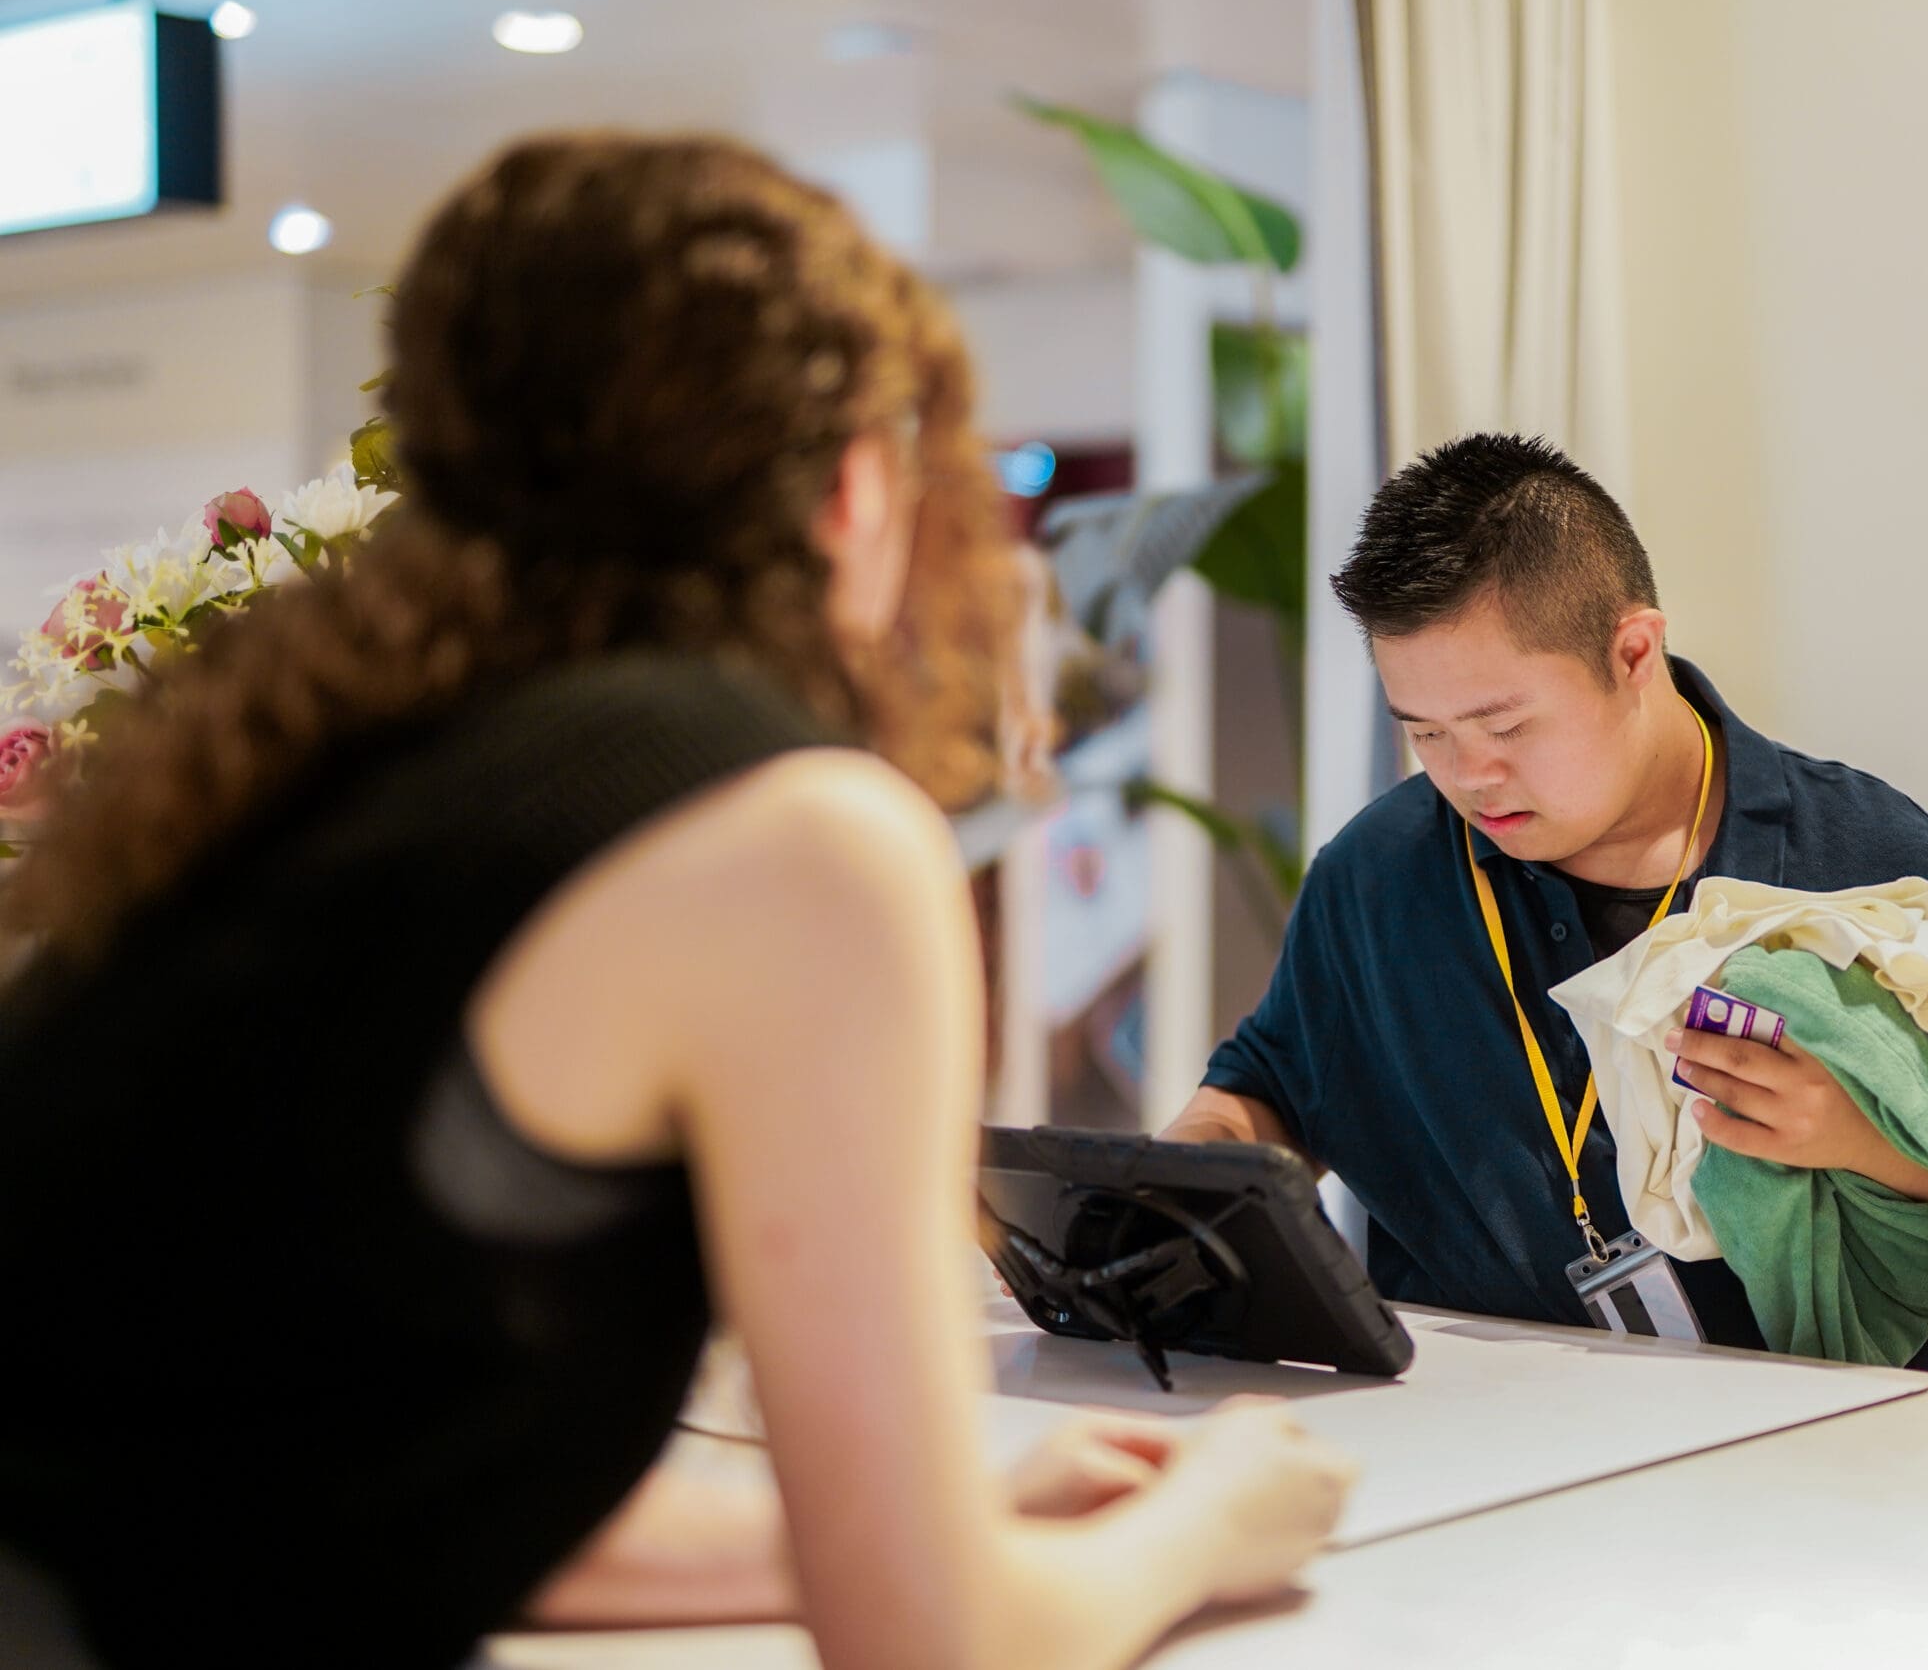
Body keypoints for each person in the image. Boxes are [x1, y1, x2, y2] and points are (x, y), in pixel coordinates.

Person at [0, 134, 1352, 1670]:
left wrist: (952, 1504)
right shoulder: (798, 834)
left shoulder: (300, 765)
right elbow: (934, 1642)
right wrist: (1213, 1520)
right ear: (854, 484)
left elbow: (352, 1466)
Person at [1164, 433, 1928, 1368]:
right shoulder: (1379, 873)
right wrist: (1186, 1176)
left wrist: (1872, 1139)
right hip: (1463, 1456)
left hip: (1798, 1466)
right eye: (1427, 734)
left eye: (1504, 725)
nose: (1470, 777)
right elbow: (1270, 1089)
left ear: (1634, 652)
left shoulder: (1868, 868)